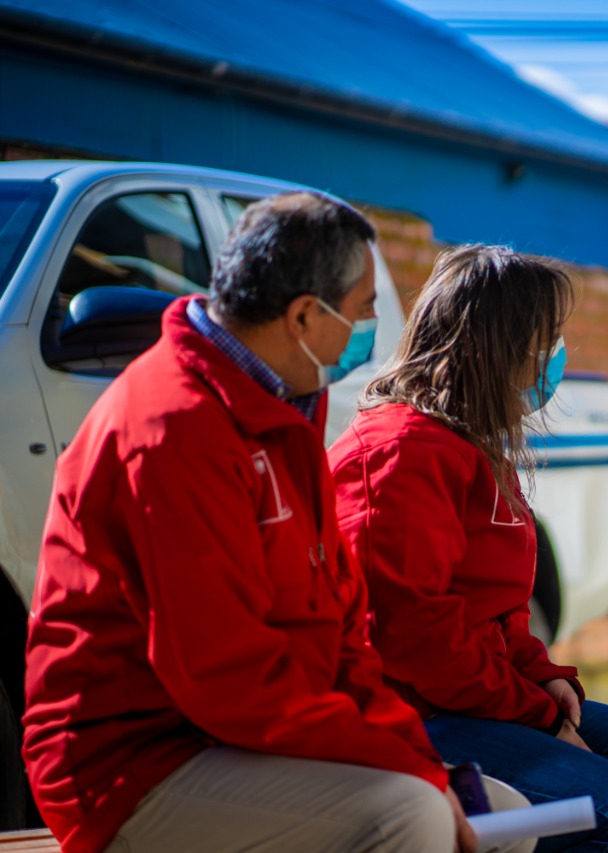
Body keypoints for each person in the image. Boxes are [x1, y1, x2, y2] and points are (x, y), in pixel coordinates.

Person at [24, 194, 533, 853]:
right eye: (361, 310)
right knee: (408, 815)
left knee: (505, 817)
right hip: (134, 761)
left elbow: (342, 629)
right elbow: (224, 673)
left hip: (241, 734)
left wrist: (411, 752)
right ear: (302, 316)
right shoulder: (172, 429)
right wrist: (407, 770)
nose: (370, 328)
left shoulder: (282, 409)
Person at [328, 244, 608, 853]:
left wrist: (543, 679)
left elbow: (498, 610)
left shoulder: (472, 444)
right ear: (496, 346)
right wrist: (538, 716)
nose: (555, 356)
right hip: (409, 710)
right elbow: (411, 634)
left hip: (464, 696)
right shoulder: (399, 454)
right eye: (545, 339)